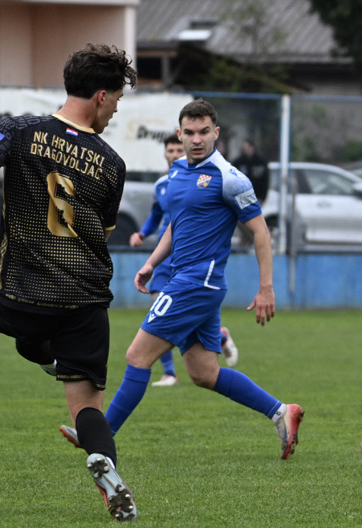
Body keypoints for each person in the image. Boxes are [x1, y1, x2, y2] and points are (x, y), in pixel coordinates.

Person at [0, 44, 139, 521]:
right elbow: (99, 233)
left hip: (26, 294)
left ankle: (49, 358)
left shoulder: (17, 129)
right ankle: (103, 461)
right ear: (100, 96)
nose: (117, 109)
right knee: (87, 406)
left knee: (26, 337)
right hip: (86, 298)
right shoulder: (111, 163)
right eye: (118, 100)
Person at [63, 99, 304, 462]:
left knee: (137, 355)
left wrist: (266, 287)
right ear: (179, 133)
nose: (196, 139)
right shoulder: (176, 173)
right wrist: (152, 262)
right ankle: (281, 411)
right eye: (189, 132)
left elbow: (261, 233)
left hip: (196, 284)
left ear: (216, 133)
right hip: (183, 279)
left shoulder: (229, 178)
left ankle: (99, 435)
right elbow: (178, 224)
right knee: (205, 373)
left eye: (204, 131)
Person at [128, 136, 239, 387]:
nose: (175, 153)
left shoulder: (208, 179)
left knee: (158, 319)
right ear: (166, 154)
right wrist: (143, 235)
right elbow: (157, 215)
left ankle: (171, 371)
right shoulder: (162, 184)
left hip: (190, 259)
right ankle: (177, 366)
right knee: (159, 312)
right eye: (171, 150)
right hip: (166, 256)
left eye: (178, 149)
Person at [232, 139, 270, 203]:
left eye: (248, 147)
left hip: (257, 196)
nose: (247, 150)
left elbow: (265, 181)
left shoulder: (261, 162)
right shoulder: (238, 163)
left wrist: (262, 197)